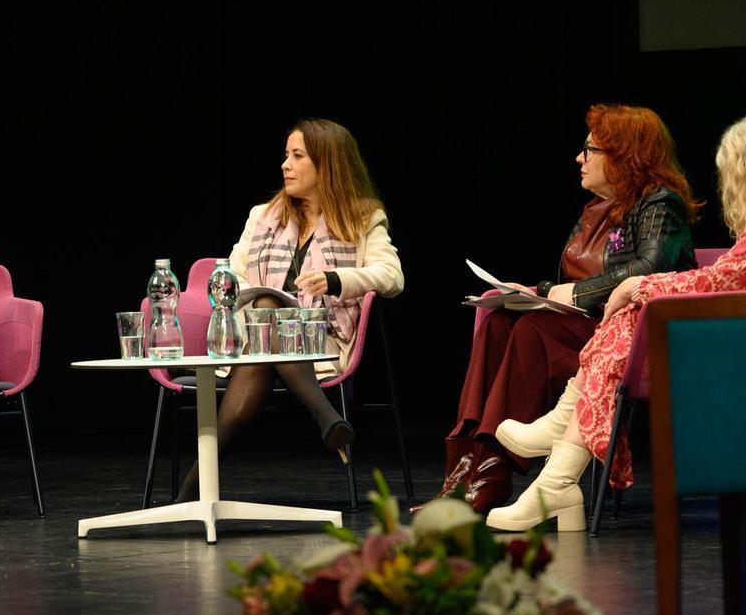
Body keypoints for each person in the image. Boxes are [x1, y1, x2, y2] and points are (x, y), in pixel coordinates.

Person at [488, 115, 746, 532]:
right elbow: (735, 280)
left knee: (633, 313)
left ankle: (559, 455)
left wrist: (639, 285)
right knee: (633, 317)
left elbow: (721, 282)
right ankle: (558, 469)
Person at [441, 104, 700, 513]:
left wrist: (573, 294)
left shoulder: (659, 203)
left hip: (632, 340)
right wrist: (535, 293)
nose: (579, 158)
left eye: (590, 149)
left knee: (533, 332)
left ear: (623, 155)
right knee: (499, 321)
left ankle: (491, 470)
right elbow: (575, 280)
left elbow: (648, 268)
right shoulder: (597, 209)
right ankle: (465, 465)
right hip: (585, 327)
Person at [174, 118, 404, 502]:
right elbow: (232, 274)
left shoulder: (363, 218)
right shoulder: (263, 216)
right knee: (268, 306)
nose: (285, 165)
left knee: (273, 319)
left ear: (327, 164)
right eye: (286, 155)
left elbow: (392, 276)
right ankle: (325, 415)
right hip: (254, 340)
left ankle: (190, 492)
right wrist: (256, 299)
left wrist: (334, 279)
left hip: (318, 339)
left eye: (297, 156)